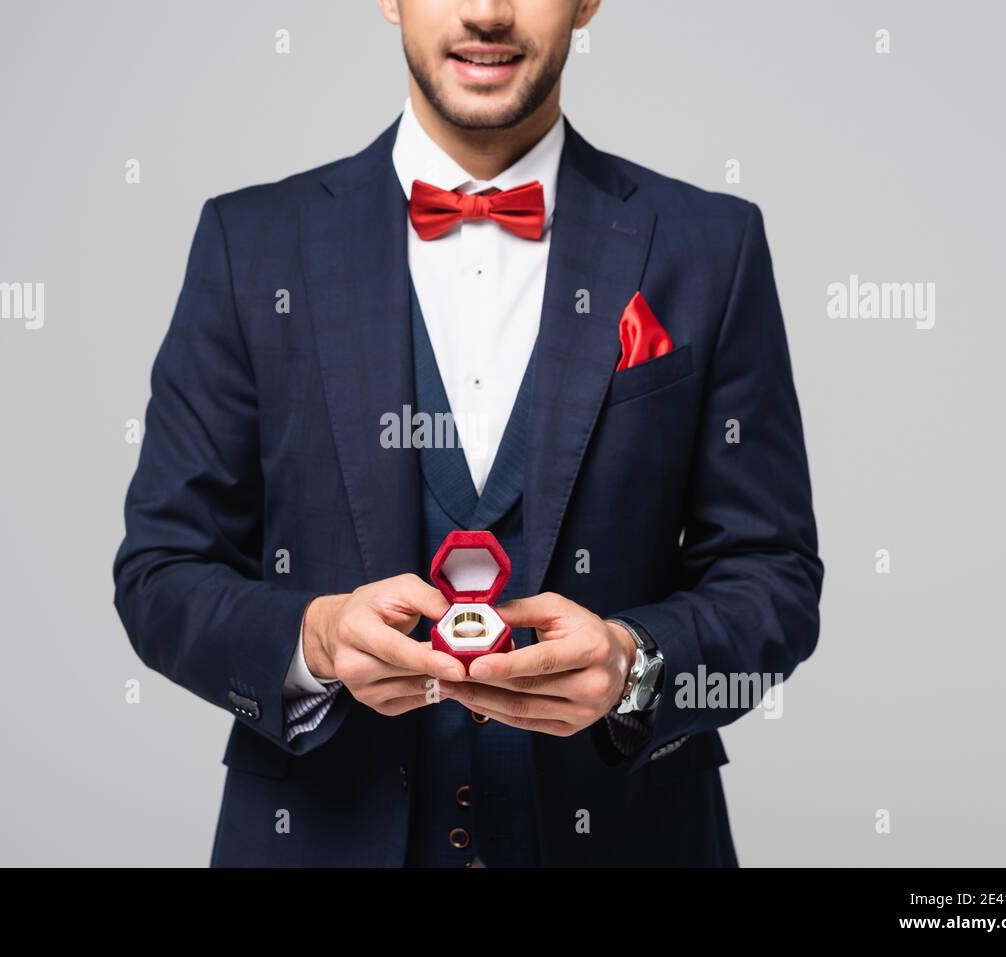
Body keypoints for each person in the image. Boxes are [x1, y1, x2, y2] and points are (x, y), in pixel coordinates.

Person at [113, 0, 823, 867]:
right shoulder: (250, 244)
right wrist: (317, 636)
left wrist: (637, 664)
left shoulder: (713, 246)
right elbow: (160, 574)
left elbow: (774, 575)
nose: (487, 11)